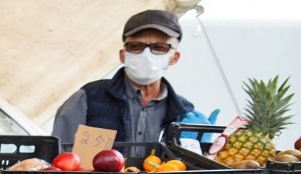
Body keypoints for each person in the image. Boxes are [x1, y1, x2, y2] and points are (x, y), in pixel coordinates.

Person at [52, 9, 196, 145]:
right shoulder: (87, 98)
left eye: (160, 47)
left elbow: (190, 159)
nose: (146, 55)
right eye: (135, 46)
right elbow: (58, 154)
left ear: (174, 57)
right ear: (122, 55)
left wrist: (200, 146)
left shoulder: (183, 112)